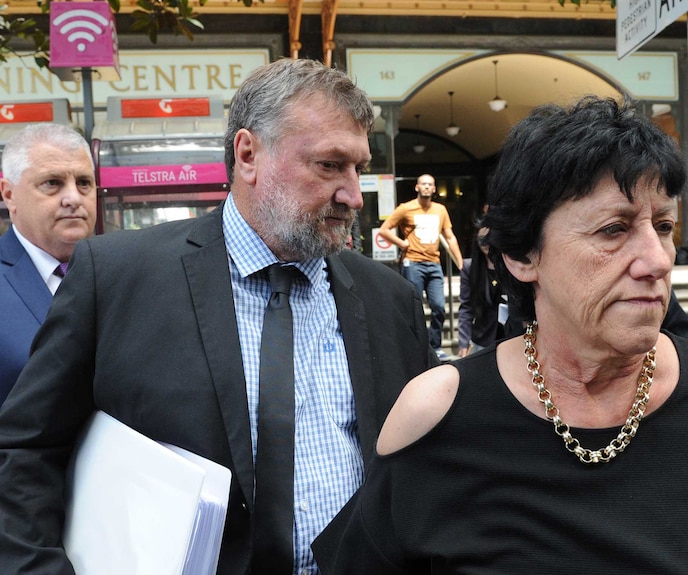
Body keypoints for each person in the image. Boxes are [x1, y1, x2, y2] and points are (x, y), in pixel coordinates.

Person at [313, 96, 688, 573]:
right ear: (520, 254)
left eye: (665, 227)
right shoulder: (434, 415)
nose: (656, 259)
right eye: (613, 229)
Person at [0, 58, 435, 574]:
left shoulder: (387, 298)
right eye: (329, 165)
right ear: (248, 154)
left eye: (358, 168)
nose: (351, 194)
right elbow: (25, 451)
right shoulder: (117, 277)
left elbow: (430, 460)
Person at [0, 123, 96, 406]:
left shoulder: (124, 271)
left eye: (84, 183)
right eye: (52, 183)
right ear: (9, 195)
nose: (73, 199)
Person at [378, 173, 463, 360]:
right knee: (413, 307)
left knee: (439, 306)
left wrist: (460, 263)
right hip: (413, 262)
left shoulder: (440, 210)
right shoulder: (406, 208)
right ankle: (415, 346)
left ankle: (435, 346)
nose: (426, 187)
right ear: (417, 187)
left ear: (434, 189)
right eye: (423, 184)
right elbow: (384, 230)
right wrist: (402, 244)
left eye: (430, 184)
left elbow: (450, 237)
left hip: (434, 263)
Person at [457, 226, 505, 357]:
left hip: (510, 335)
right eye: (481, 239)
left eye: (488, 239)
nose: (485, 244)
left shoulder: (511, 265)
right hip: (483, 336)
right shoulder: (469, 268)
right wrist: (463, 343)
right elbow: (466, 307)